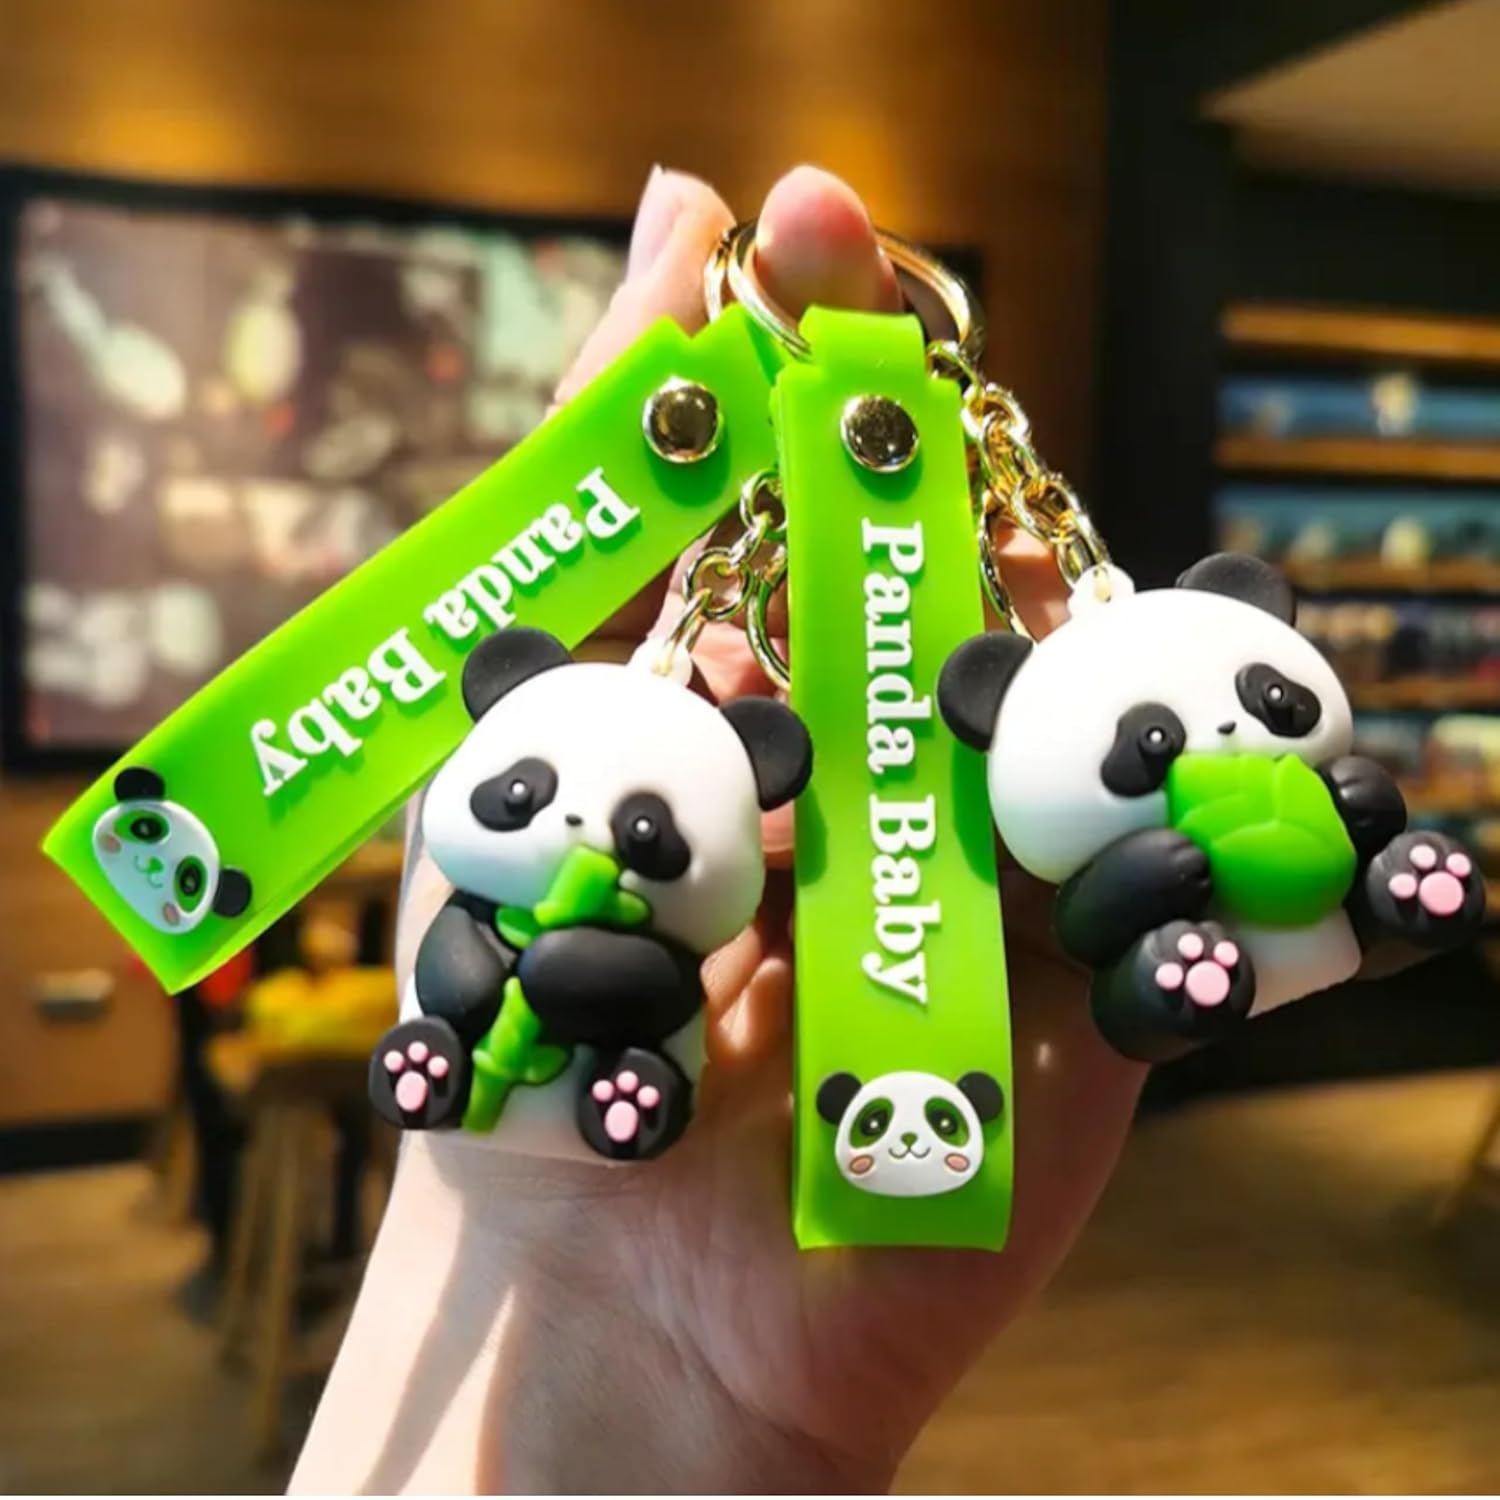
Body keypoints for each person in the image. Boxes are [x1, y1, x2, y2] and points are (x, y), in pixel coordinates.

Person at [291, 164, 1143, 1494]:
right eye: (519, 799)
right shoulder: (543, 760)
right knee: (465, 976)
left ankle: (613, 1088)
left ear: (757, 780)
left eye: (647, 827)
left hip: (660, 1025)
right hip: (514, 1031)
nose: (583, 825)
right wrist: (537, 1250)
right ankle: (470, 1063)